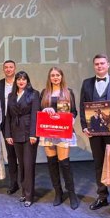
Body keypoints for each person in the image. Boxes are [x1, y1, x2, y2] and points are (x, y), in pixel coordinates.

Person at [79, 54, 110, 210]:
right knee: (98, 163)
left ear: (108, 64)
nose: (99, 66)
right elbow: (82, 106)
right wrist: (84, 126)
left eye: (102, 63)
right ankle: (102, 196)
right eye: (96, 64)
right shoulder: (87, 83)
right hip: (94, 132)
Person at [40, 67, 80, 209]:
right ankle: (58, 192)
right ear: (49, 78)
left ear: (62, 77)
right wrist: (44, 110)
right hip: (48, 132)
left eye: (57, 75)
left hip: (63, 132)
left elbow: (74, 111)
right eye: (52, 75)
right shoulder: (44, 93)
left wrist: (71, 120)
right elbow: (39, 111)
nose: (55, 77)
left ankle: (72, 193)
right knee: (52, 163)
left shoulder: (68, 92)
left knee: (64, 163)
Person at [4, 71, 40, 207]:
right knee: (22, 165)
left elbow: (36, 115)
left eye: (24, 79)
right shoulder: (11, 95)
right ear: (16, 81)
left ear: (27, 81)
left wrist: (33, 134)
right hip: (15, 133)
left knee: (28, 165)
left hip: (29, 134)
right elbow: (8, 116)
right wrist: (8, 134)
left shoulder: (34, 94)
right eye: (19, 79)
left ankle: (29, 196)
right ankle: (24, 193)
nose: (21, 81)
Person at [0, 60, 20, 195]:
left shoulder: (21, 82)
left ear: (15, 68)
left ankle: (25, 183)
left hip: (20, 124)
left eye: (11, 67)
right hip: (6, 124)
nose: (8, 69)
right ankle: (14, 183)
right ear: (3, 69)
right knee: (11, 154)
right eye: (6, 67)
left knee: (22, 154)